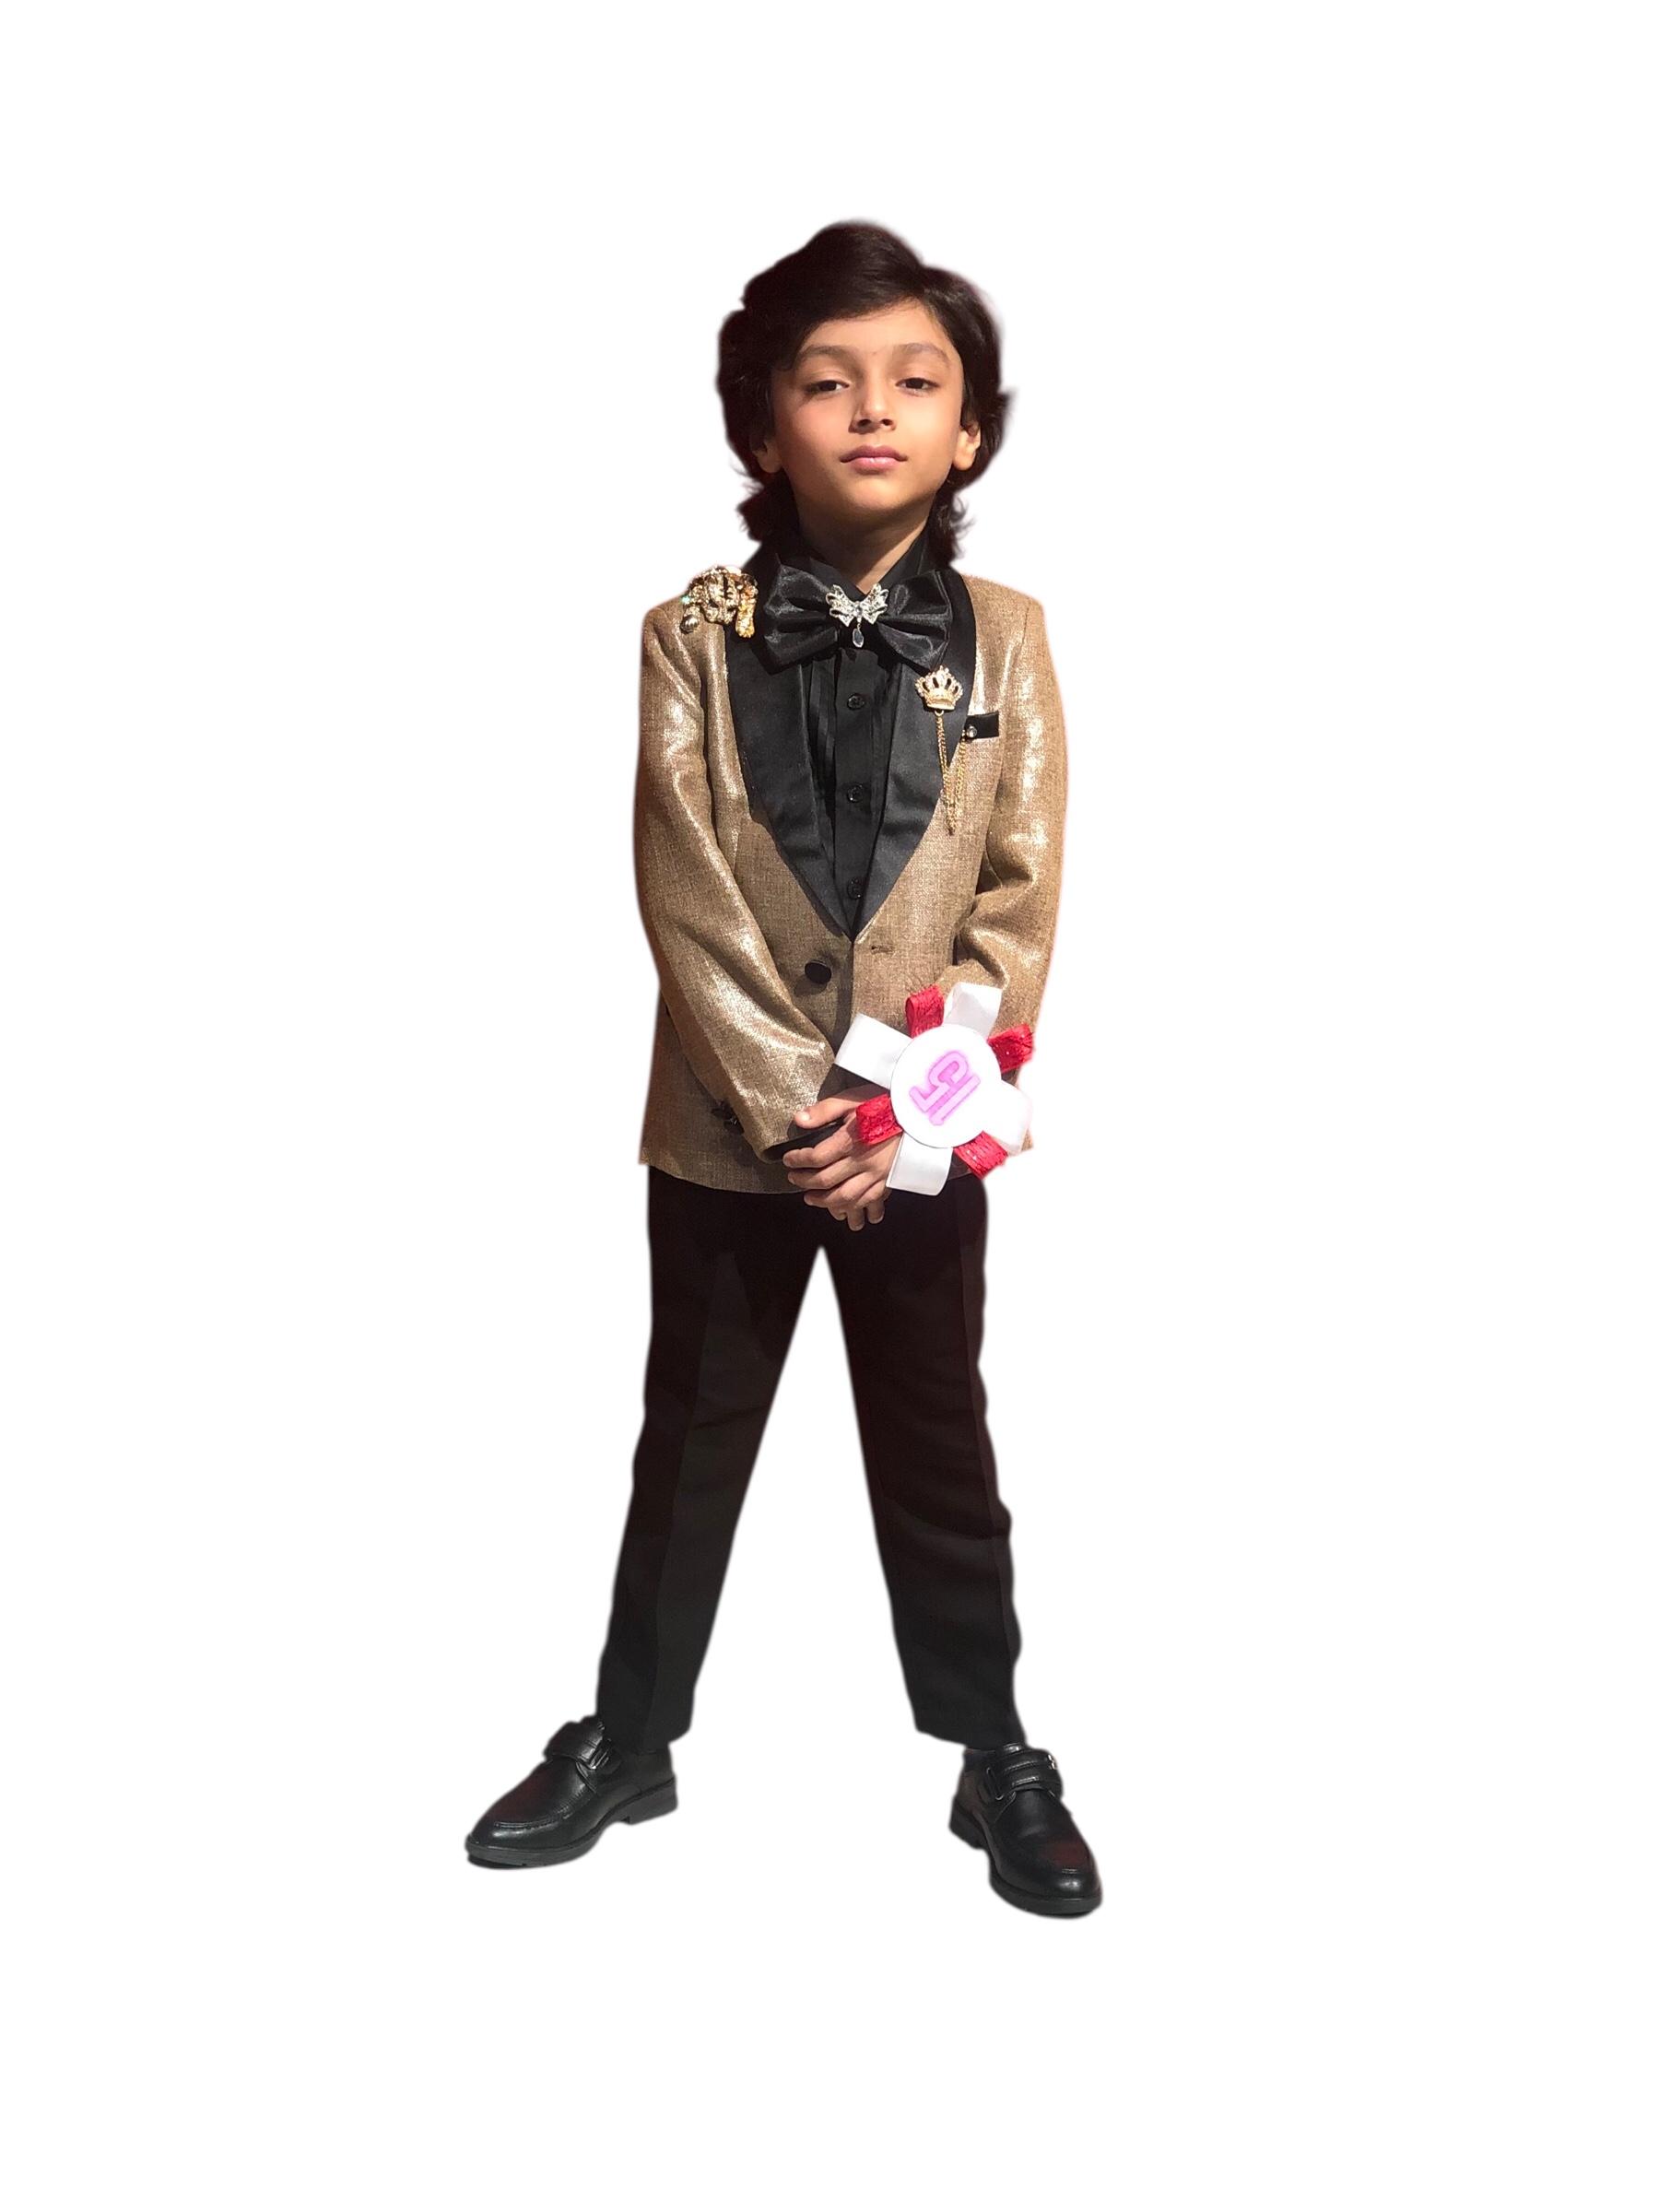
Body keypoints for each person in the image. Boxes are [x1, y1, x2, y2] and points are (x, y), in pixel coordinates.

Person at [465, 221, 1100, 1917]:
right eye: (828, 383)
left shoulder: (1012, 637)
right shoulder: (687, 631)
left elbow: (1019, 897)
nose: (872, 409)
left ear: (969, 431)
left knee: (940, 1447)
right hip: (727, 1132)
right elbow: (681, 881)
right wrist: (792, 1107)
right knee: (689, 1441)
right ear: (763, 425)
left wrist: (901, 1112)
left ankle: (993, 1752)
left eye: (915, 381)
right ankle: (629, 1737)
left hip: (921, 1141)